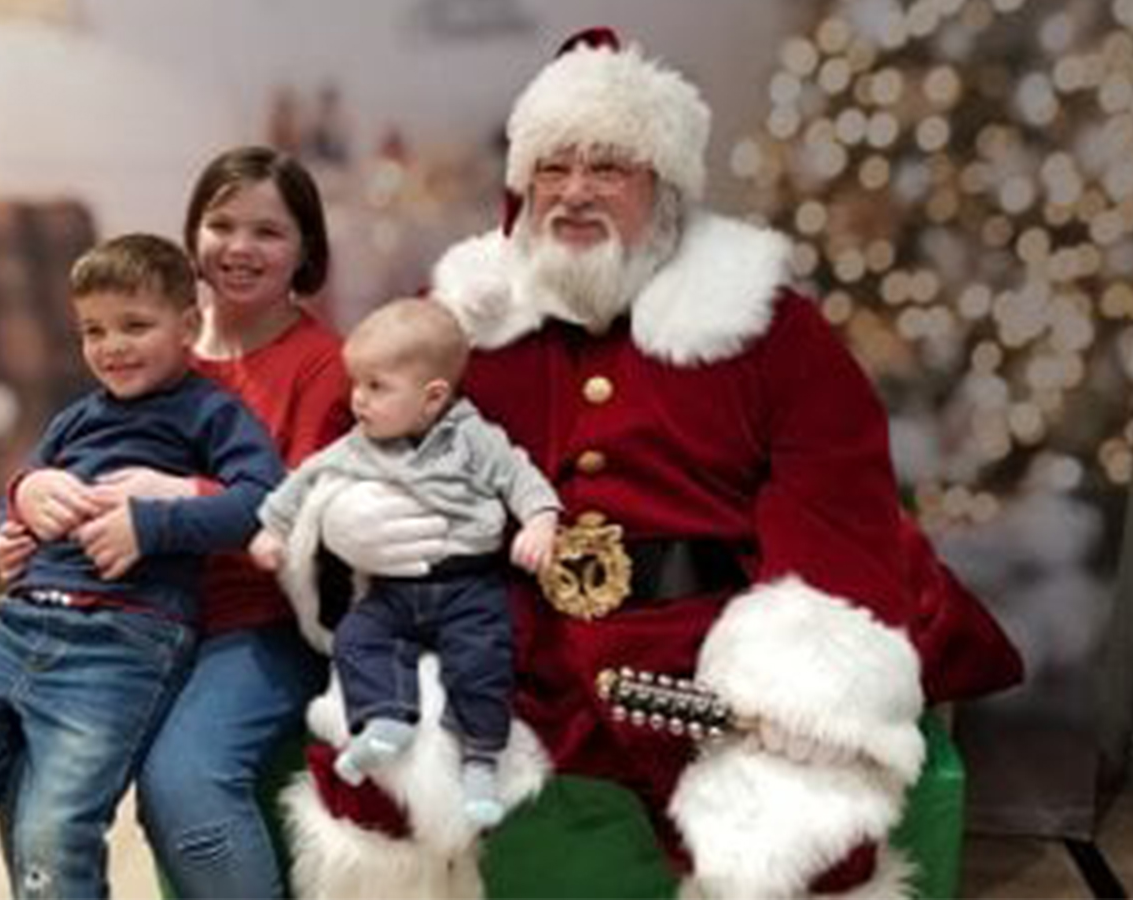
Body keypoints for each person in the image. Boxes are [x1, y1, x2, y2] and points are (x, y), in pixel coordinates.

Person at [280, 30, 1024, 898]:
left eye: (609, 169)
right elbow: (351, 431)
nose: (576, 192)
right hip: (507, 634)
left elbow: (832, 499)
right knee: (377, 785)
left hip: (701, 634)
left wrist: (802, 679)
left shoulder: (769, 327)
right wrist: (339, 520)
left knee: (802, 837)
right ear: (522, 188)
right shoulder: (460, 319)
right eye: (554, 169)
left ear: (664, 190)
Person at [0, 146, 349, 899]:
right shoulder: (149, 342)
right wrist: (23, 508)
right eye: (221, 224)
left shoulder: (324, 364)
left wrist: (180, 491)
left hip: (255, 623)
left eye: (269, 232)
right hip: (125, 615)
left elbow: (307, 510)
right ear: (193, 236)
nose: (240, 248)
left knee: (183, 786)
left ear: (306, 250)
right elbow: (74, 453)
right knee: (27, 779)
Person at [0, 233, 284, 899]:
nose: (112, 346)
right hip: (16, 631)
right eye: (94, 330)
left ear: (188, 326)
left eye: (134, 326)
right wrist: (15, 514)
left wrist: (151, 526)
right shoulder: (74, 420)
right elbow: (19, 506)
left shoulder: (215, 413)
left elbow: (264, 502)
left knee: (51, 837)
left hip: (124, 643)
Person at [248, 298, 560, 829]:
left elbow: (520, 477)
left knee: (482, 661)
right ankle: (386, 718)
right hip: (393, 590)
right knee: (358, 638)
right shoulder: (359, 443)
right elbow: (303, 479)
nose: (358, 400)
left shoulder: (473, 438)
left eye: (376, 387)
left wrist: (540, 522)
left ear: (433, 397)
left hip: (467, 586)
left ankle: (481, 760)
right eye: (356, 384)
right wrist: (271, 530)